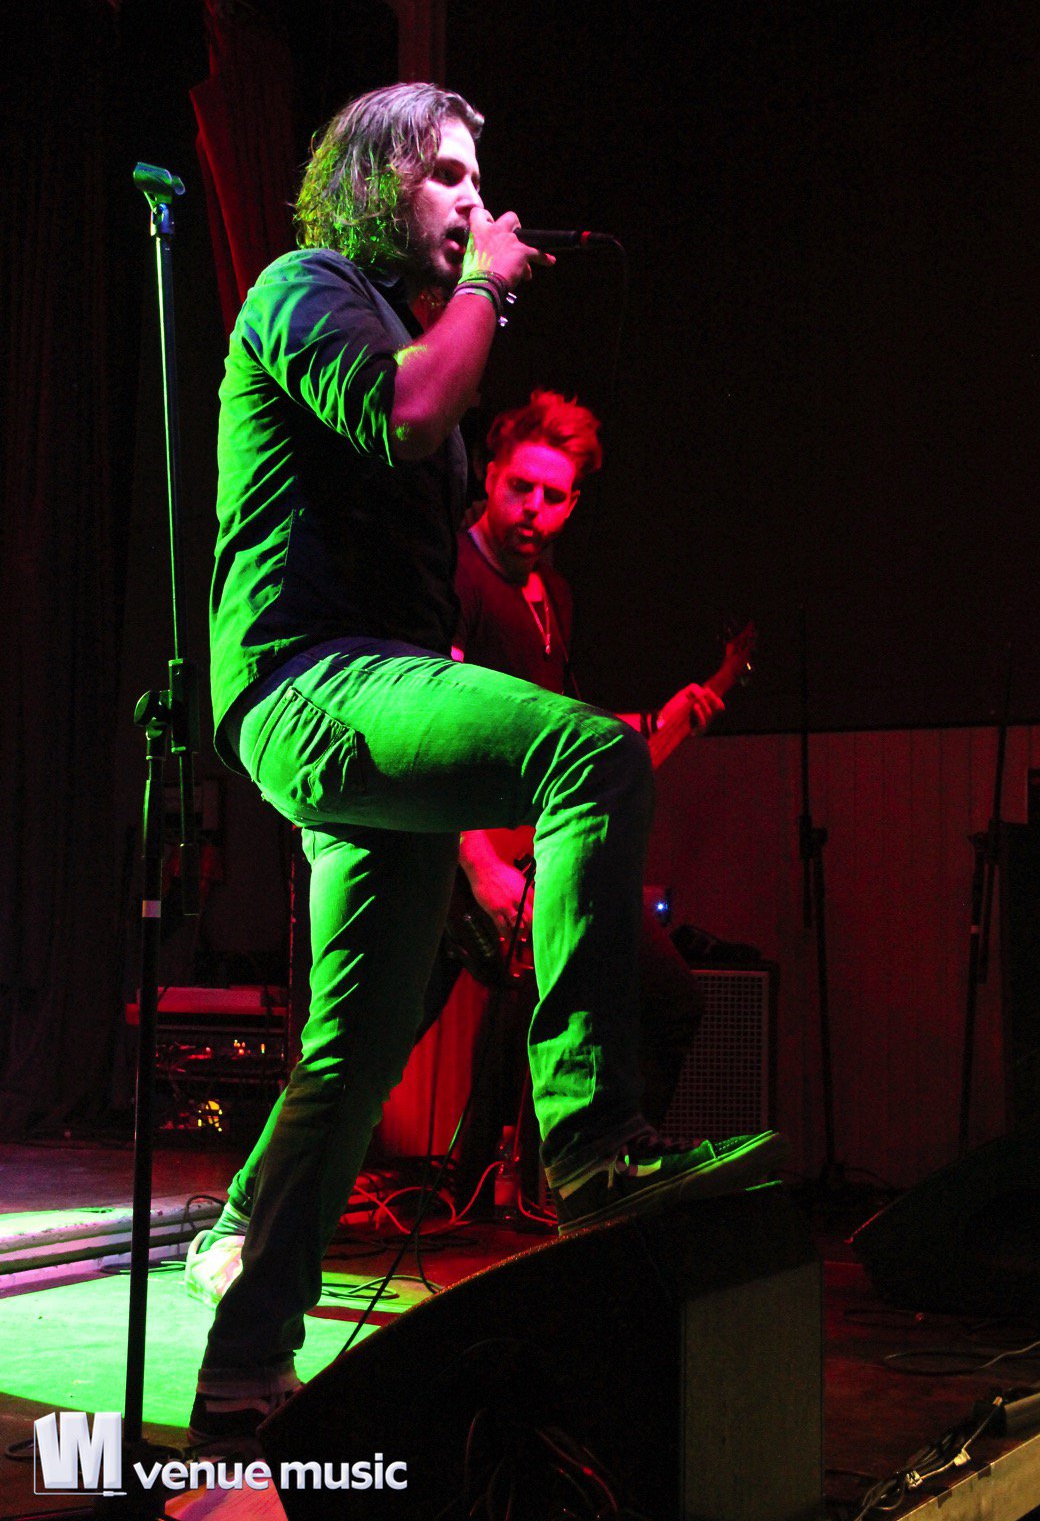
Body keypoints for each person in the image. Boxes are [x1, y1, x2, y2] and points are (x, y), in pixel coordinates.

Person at [190, 81, 784, 1442]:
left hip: (377, 697)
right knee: (592, 763)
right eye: (447, 175)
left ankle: (242, 1368)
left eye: (477, 177)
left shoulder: (411, 333)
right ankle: (589, 1143)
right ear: (374, 182)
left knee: (354, 1050)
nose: (475, 199)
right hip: (306, 682)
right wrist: (485, 290)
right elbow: (404, 413)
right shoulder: (302, 288)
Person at [452, 388, 715, 1128]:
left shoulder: (553, 595)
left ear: (573, 503)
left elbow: (560, 724)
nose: (534, 509)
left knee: (667, 1000)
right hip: (459, 851)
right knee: (380, 1037)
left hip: (541, 850)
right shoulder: (456, 575)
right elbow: (437, 733)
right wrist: (478, 865)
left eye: (554, 496)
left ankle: (606, 1171)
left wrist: (652, 721)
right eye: (520, 487)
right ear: (489, 475)